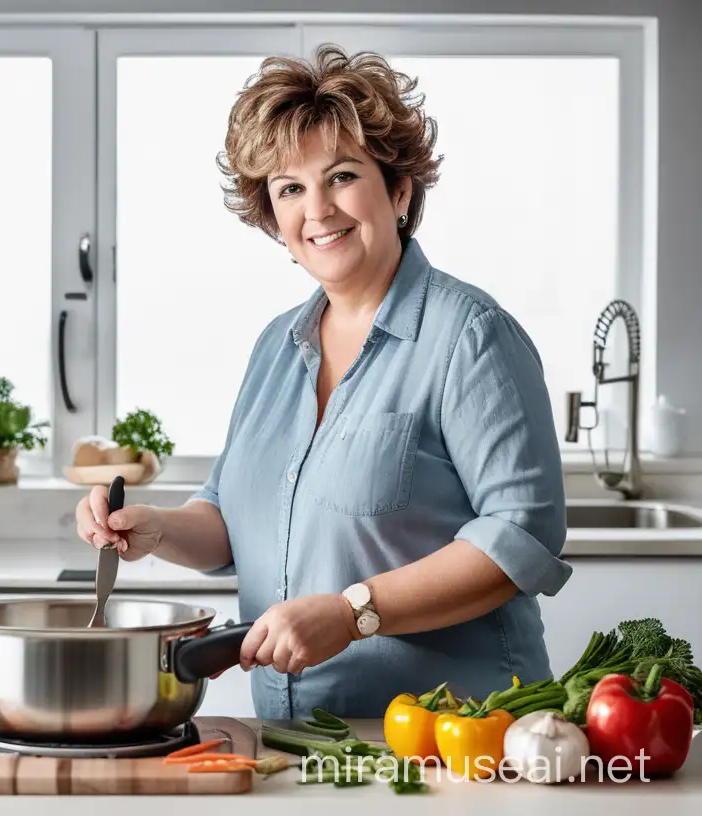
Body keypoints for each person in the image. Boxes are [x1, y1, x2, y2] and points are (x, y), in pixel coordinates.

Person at [74, 44, 570, 720]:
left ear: (398, 189)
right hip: (297, 744)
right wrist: (156, 528)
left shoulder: (470, 336)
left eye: (341, 176)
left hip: (453, 741)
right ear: (272, 217)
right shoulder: (276, 348)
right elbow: (230, 519)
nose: (319, 210)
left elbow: (520, 540)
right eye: (290, 188)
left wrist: (353, 612)